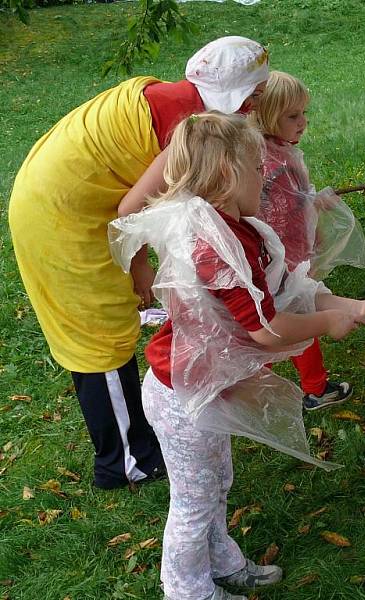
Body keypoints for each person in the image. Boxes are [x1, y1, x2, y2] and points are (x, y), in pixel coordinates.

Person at [108, 112, 365, 600]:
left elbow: (287, 294)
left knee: (217, 482)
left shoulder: (234, 228)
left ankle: (221, 562)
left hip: (205, 389)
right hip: (182, 397)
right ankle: (187, 592)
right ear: (226, 176)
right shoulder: (213, 247)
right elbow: (267, 330)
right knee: (193, 501)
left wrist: (355, 306)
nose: (263, 177)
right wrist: (329, 323)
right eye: (254, 168)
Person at [7, 36, 269, 489]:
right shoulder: (190, 129)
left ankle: (136, 437)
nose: (258, 102)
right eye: (256, 94)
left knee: (110, 325)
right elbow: (135, 209)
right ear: (243, 97)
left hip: (76, 201)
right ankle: (127, 461)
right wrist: (141, 267)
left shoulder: (181, 100)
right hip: (61, 215)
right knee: (99, 338)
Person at [248, 70, 365, 411]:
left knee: (289, 320)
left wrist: (311, 202)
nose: (303, 122)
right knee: (287, 323)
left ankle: (273, 388)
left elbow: (289, 204)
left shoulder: (268, 152)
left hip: (278, 261)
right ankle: (269, 388)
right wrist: (306, 250)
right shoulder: (274, 162)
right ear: (268, 115)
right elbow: (278, 217)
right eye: (293, 115)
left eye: (304, 113)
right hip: (282, 263)